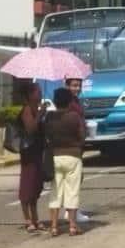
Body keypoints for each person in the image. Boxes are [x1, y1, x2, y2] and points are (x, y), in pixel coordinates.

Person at [45, 87, 85, 237]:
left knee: (55, 191)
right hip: (73, 156)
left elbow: (46, 135)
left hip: (55, 156)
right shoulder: (74, 116)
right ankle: (73, 226)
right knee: (72, 191)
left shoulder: (49, 117)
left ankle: (54, 226)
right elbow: (82, 136)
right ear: (69, 102)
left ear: (55, 101)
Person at [18, 81, 47, 233]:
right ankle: (28, 219)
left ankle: (36, 217)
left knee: (36, 186)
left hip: (37, 151)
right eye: (37, 91)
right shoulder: (27, 110)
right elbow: (30, 129)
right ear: (30, 95)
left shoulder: (37, 108)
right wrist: (40, 115)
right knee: (27, 186)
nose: (40, 94)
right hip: (28, 153)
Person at [64, 77, 89, 224]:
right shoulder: (69, 103)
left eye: (79, 85)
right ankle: (71, 211)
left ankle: (72, 209)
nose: (77, 88)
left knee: (76, 178)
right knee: (73, 179)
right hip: (72, 144)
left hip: (77, 144)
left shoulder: (76, 101)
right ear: (67, 86)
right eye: (74, 85)